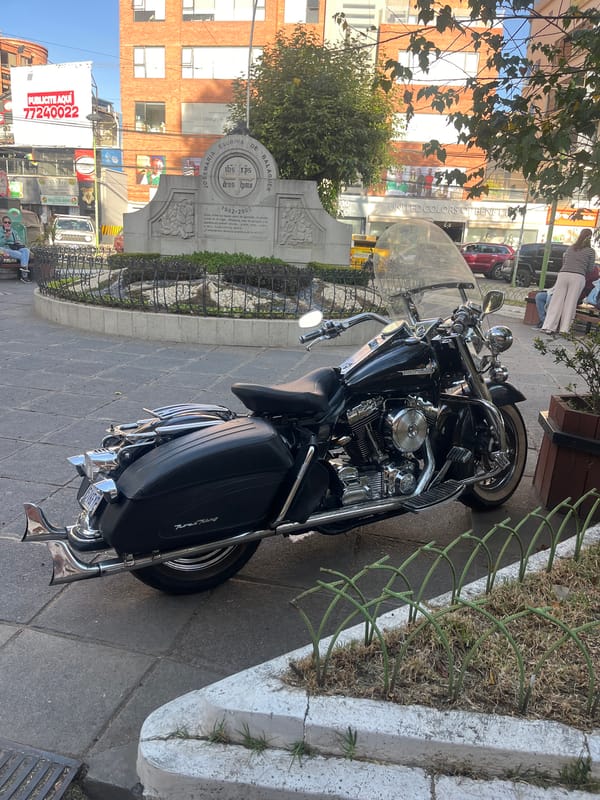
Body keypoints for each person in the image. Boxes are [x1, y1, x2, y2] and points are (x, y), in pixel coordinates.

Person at [542, 229, 596, 335]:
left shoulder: (570, 248)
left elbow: (564, 261)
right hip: (578, 276)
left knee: (556, 301)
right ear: (590, 237)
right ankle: (564, 329)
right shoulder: (590, 251)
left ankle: (548, 326)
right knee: (570, 303)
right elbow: (590, 269)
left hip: (563, 275)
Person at [0, 215, 31, 282]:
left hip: (15, 247)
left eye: (9, 222)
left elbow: (18, 241)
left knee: (26, 250)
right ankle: (24, 276)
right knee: (21, 255)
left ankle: (23, 269)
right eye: (5, 222)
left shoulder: (13, 231)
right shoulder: (0, 231)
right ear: (2, 223)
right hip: (5, 248)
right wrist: (6, 237)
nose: (7, 224)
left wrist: (18, 242)